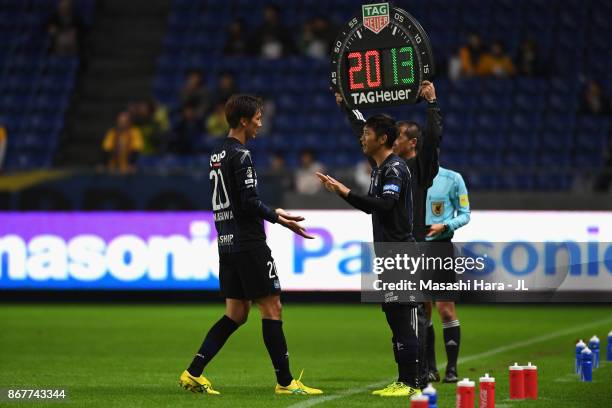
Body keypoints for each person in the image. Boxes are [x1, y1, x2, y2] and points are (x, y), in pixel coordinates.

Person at [179, 94, 322, 396]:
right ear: (244, 120)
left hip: (226, 241)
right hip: (248, 241)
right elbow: (249, 201)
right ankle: (285, 382)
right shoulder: (241, 155)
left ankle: (193, 372)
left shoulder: (216, 153)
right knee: (272, 306)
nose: (260, 121)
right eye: (257, 116)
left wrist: (270, 211)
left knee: (236, 313)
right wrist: (279, 218)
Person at [338, 82, 443, 386]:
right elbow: (364, 129)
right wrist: (347, 104)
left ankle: (419, 376)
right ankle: (420, 372)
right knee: (407, 313)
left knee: (417, 313)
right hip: (394, 246)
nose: (395, 142)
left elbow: (434, 139)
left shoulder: (417, 167)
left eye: (401, 137)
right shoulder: (386, 166)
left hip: (414, 246)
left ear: (412, 143)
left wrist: (432, 104)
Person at [317, 109, 419, 397]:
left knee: (401, 317)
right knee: (393, 316)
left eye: (368, 133)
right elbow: (371, 206)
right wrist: (342, 192)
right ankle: (404, 380)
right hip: (387, 252)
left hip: (400, 252)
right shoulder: (380, 169)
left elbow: (385, 205)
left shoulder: (394, 168)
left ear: (382, 138)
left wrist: (345, 191)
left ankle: (411, 382)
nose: (363, 137)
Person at [423, 166, 471, 383]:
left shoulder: (452, 178)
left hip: (440, 247)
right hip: (413, 248)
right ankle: (431, 368)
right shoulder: (408, 174)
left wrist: (445, 225)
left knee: (446, 311)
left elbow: (465, 214)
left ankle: (451, 368)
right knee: (422, 311)